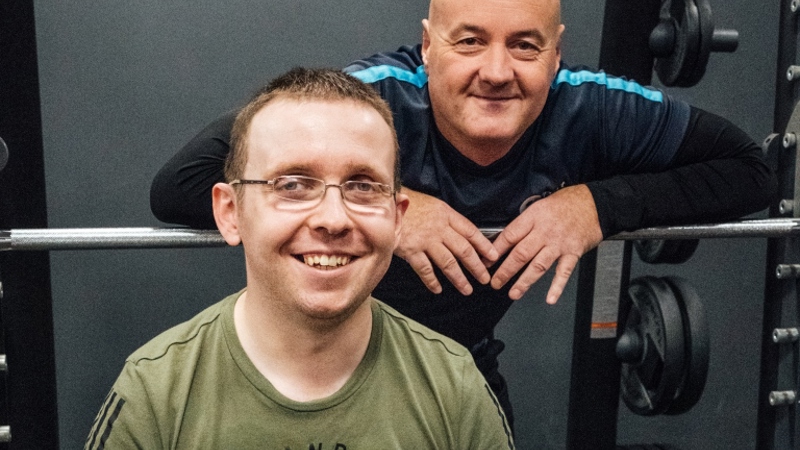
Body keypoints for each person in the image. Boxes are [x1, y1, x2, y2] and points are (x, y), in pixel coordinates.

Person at [149, 0, 776, 427]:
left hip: (461, 368)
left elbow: (751, 171)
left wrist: (599, 204)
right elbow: (181, 185)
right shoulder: (366, 101)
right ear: (428, 46)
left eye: (525, 46)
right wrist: (391, 204)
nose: (496, 72)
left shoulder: (595, 108)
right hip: (319, 366)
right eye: (469, 41)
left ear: (556, 55)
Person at [86, 68, 515, 450]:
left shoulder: (455, 387)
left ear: (397, 218)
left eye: (363, 186)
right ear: (230, 213)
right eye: (292, 185)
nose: (333, 218)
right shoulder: (155, 394)